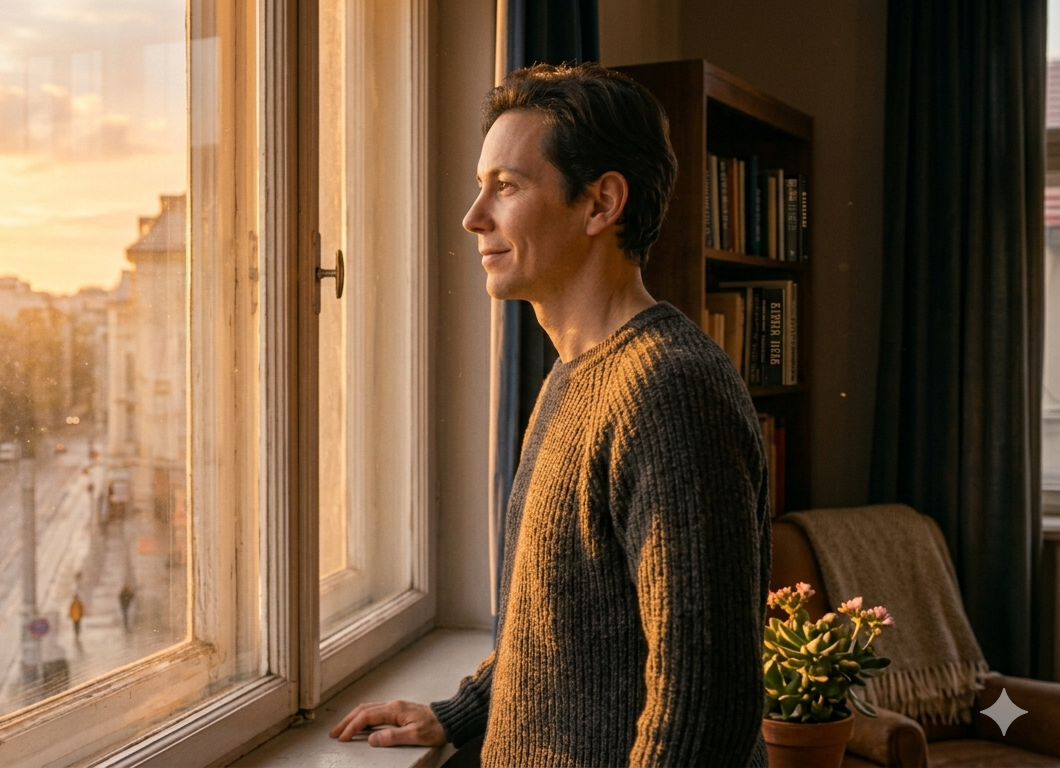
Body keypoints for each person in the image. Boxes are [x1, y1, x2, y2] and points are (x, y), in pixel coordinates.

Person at [329, 63, 770, 766]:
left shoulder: (670, 389)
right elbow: (560, 625)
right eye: (481, 186)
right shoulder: (575, 375)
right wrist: (463, 711)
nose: (474, 217)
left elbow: (703, 707)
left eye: (506, 187)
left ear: (600, 204)